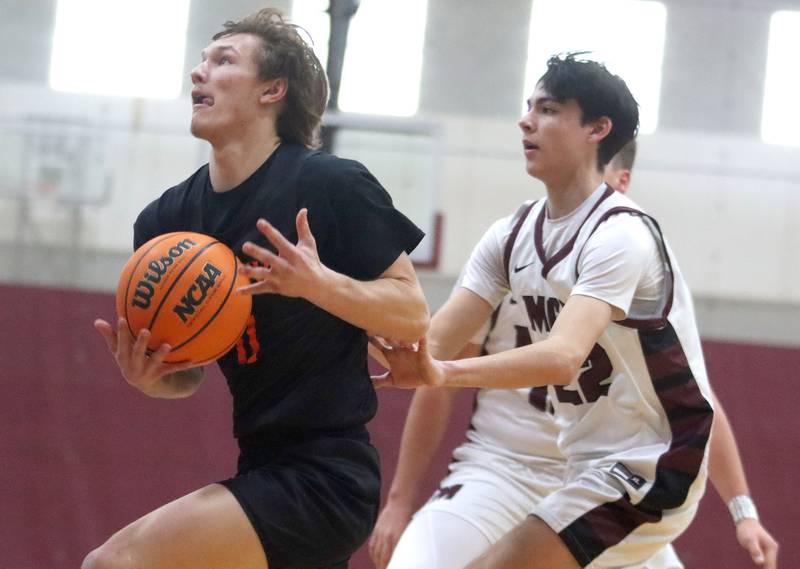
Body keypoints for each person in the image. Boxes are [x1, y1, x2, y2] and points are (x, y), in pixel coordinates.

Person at [86, 8, 429, 569]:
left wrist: (319, 285)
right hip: (261, 463)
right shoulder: (166, 222)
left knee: (114, 563)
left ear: (274, 89)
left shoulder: (330, 185)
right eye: (201, 61)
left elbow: (413, 314)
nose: (200, 73)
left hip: (327, 476)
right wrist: (151, 378)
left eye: (223, 61)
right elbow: (187, 376)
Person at [372, 52, 718, 569]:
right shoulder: (510, 235)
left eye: (549, 109)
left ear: (598, 129)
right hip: (582, 463)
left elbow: (561, 356)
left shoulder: (621, 234)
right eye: (529, 106)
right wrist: (330, 295)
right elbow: (432, 341)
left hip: (655, 461)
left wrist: (440, 372)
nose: (526, 120)